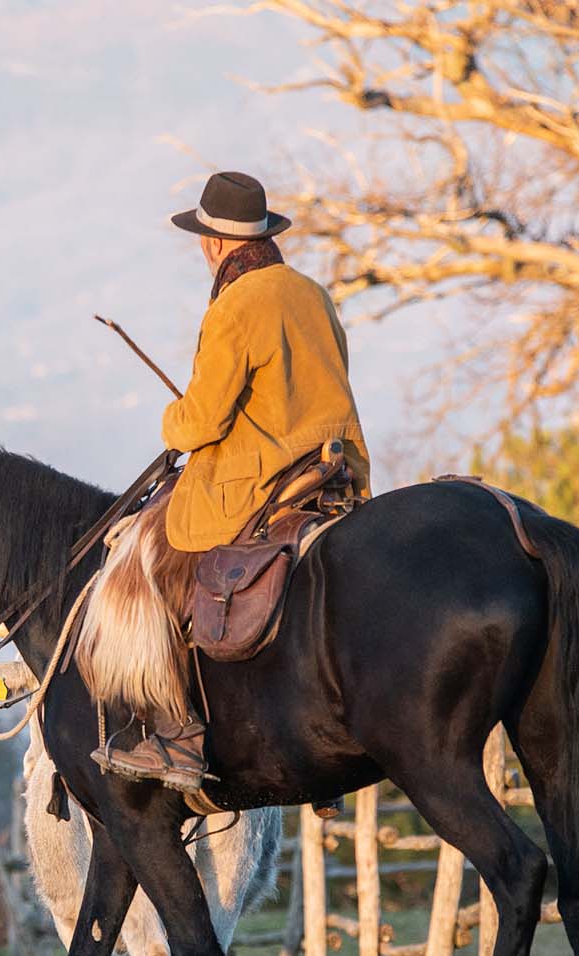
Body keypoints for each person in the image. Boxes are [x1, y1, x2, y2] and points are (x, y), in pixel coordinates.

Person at [78, 170, 370, 794]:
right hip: (334, 470)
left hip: (263, 479)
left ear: (212, 243)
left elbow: (203, 420)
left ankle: (177, 732)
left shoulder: (235, 304)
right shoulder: (311, 292)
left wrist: (172, 419)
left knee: (146, 549)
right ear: (263, 234)